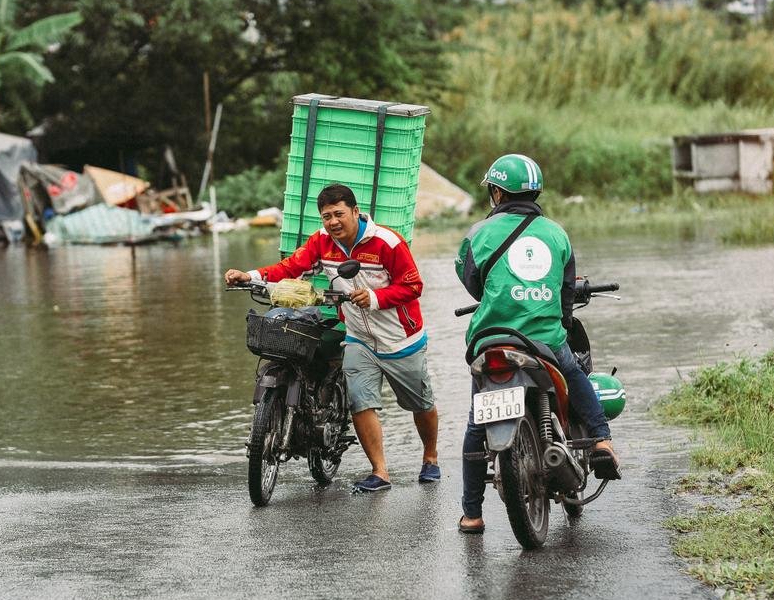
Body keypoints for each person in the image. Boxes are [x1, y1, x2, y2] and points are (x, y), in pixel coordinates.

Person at [224, 183, 439, 491]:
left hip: (400, 337)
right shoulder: (322, 242)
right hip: (358, 337)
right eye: (326, 216)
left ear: (355, 211)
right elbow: (292, 267)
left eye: (339, 214)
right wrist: (251, 276)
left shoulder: (387, 242)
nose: (333, 222)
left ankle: (430, 457)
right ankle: (380, 472)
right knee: (360, 402)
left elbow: (413, 285)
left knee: (420, 402)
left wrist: (376, 297)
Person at [453, 154, 619, 534]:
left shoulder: (477, 234)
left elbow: (473, 283)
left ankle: (472, 513)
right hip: (543, 340)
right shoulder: (557, 234)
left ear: (497, 192)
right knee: (574, 372)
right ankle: (602, 441)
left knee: (478, 419)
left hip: (489, 340)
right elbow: (564, 295)